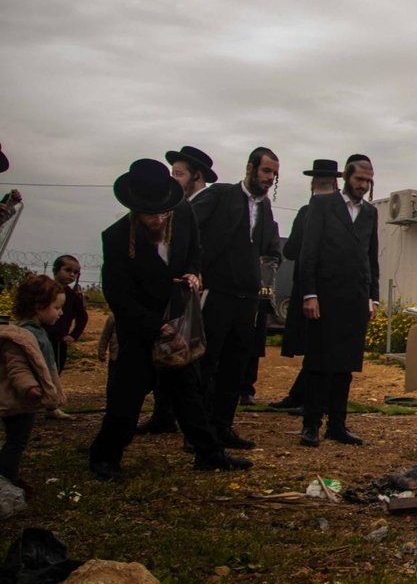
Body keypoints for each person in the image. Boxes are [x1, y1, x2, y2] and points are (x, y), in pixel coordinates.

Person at [89, 159, 250, 479]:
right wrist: (155, 326)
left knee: (188, 390)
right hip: (140, 327)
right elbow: (117, 296)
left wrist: (193, 273)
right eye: (151, 214)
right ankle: (105, 457)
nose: (158, 219)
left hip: (177, 321)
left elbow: (195, 251)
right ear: (135, 209)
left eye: (163, 213)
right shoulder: (116, 237)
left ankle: (209, 454)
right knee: (127, 396)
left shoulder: (183, 213)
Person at [190, 147, 281, 450]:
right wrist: (194, 269)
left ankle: (222, 426)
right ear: (250, 168)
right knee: (206, 363)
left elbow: (270, 250)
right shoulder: (220, 195)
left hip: (247, 299)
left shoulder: (265, 208)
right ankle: (198, 432)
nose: (270, 178)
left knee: (235, 365)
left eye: (274, 174)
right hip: (216, 293)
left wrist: (266, 277)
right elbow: (190, 227)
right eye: (266, 171)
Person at [296, 156, 379, 447]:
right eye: (359, 179)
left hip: (355, 298)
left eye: (368, 180)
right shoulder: (323, 205)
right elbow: (309, 252)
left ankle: (337, 425)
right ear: (346, 177)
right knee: (319, 363)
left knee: (345, 366)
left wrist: (373, 297)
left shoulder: (370, 213)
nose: (363, 185)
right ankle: (311, 425)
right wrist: (310, 293)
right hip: (325, 296)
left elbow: (371, 258)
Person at [137, 145, 218, 436]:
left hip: (192, 292)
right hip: (167, 292)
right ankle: (164, 414)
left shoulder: (204, 203)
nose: (173, 180)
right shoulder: (175, 204)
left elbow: (200, 248)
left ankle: (192, 427)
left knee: (188, 358)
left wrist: (195, 273)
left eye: (178, 174)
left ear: (196, 176)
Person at [272, 158, 342, 413]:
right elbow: (291, 250)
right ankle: (302, 394)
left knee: (320, 347)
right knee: (316, 346)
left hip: (324, 288)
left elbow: (291, 249)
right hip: (313, 287)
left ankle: (309, 397)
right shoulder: (313, 212)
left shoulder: (316, 212)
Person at [1, 275, 66, 491]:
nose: (60, 313)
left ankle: (9, 475)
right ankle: (7, 479)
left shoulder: (36, 331)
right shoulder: (24, 335)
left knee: (18, 439)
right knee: (17, 441)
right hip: (20, 400)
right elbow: (17, 366)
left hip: (25, 400)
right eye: (57, 307)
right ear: (39, 306)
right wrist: (29, 387)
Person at [41, 256, 87, 420]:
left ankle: (51, 407)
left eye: (76, 272)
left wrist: (73, 335)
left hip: (59, 341)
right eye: (68, 270)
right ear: (56, 270)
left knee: (55, 372)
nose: (72, 275)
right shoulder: (44, 290)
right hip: (39, 338)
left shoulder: (72, 296)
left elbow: (83, 317)